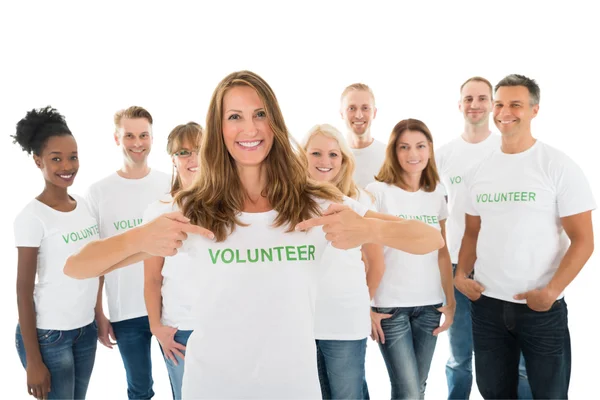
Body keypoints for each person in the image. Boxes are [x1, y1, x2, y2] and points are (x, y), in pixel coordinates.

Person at [64, 70, 444, 399]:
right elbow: (77, 267)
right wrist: (139, 239)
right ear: (219, 128)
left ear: (275, 123)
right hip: (212, 388)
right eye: (234, 116)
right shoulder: (191, 210)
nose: (249, 128)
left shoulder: (314, 204)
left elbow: (430, 240)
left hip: (293, 388)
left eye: (259, 114)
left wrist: (369, 229)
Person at [455, 74, 595, 399]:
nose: (506, 111)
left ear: (534, 110)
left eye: (515, 104)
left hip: (541, 311)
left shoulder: (557, 166)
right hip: (487, 306)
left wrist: (551, 292)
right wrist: (461, 274)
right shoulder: (479, 171)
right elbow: (472, 232)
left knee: (550, 394)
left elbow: (584, 240)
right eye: (500, 104)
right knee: (493, 393)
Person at [436, 76, 531, 399]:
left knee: (515, 358)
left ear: (492, 105)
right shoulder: (444, 155)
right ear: (459, 105)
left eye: (481, 99)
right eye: (468, 99)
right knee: (460, 354)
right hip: (456, 267)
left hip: (499, 268)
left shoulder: (505, 149)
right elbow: (437, 210)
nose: (474, 105)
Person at [12, 106, 99, 400]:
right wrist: (34, 362)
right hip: (50, 335)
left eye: (73, 157)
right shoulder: (32, 217)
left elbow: (95, 265)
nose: (67, 166)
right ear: (38, 161)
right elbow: (23, 290)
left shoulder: (85, 205)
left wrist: (98, 316)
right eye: (56, 158)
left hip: (85, 330)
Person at [85, 106, 171, 400]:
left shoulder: (169, 184)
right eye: (130, 135)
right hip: (126, 312)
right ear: (116, 138)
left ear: (152, 137)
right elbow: (95, 259)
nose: (138, 143)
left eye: (144, 135)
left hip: (169, 307)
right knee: (139, 391)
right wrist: (99, 312)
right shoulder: (99, 192)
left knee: (186, 387)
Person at [366, 118, 455, 399]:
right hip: (390, 308)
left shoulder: (436, 193)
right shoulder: (377, 192)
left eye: (420, 146)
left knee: (418, 387)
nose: (413, 154)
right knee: (408, 391)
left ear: (429, 149)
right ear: (393, 151)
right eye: (404, 147)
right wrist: (366, 305)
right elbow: (366, 255)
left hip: (430, 305)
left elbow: (442, 250)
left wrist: (450, 301)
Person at [301, 124, 384, 399]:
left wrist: (361, 305)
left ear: (344, 159)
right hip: (300, 322)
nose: (325, 162)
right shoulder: (289, 201)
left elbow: (375, 262)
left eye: (333, 155)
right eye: (316, 153)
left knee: (347, 394)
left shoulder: (359, 200)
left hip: (344, 320)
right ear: (303, 157)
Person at [143, 122, 203, 400]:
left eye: (201, 150)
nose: (193, 158)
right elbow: (153, 277)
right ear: (173, 159)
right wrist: (157, 328)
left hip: (221, 324)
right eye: (184, 152)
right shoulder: (158, 211)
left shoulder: (229, 205)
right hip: (179, 328)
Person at [340, 83, 386, 188]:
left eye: (365, 108)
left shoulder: (388, 155)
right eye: (352, 108)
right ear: (342, 113)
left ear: (374, 113)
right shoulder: (333, 156)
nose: (359, 115)